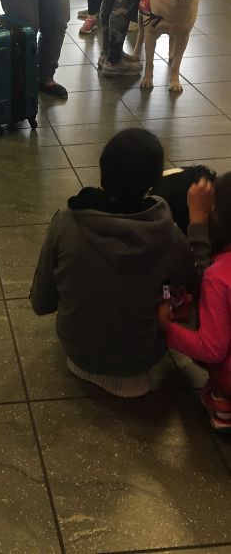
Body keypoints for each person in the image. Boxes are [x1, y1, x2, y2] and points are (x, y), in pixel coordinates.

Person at [31, 128, 196, 397]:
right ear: (153, 183)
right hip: (142, 357)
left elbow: (41, 302)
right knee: (171, 292)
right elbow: (187, 287)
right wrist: (165, 294)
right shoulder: (170, 235)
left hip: (78, 351)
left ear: (103, 170)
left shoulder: (66, 221)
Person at [158, 173, 231, 432]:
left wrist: (169, 331)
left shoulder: (218, 275)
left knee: (202, 320)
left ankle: (224, 405)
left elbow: (212, 349)